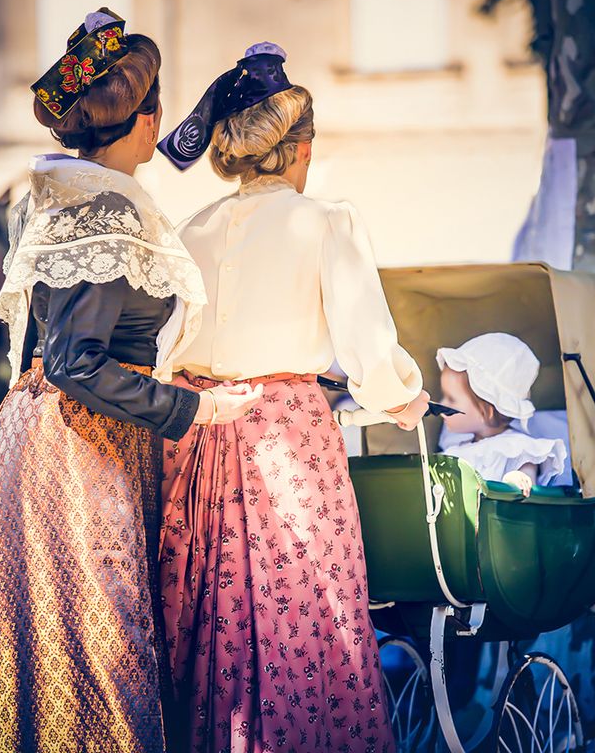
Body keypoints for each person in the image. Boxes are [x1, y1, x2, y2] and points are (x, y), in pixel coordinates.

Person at [0, 9, 259, 753]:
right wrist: (195, 409)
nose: (161, 123)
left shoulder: (50, 199)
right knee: (91, 650)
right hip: (82, 456)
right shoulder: (104, 208)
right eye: (157, 107)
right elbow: (77, 362)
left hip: (48, 440)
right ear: (144, 120)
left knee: (47, 643)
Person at [156, 42, 429, 752]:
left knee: (207, 613)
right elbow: (370, 352)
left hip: (193, 441)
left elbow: (164, 353)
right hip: (285, 439)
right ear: (300, 150)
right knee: (305, 606)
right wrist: (405, 398)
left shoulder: (190, 232)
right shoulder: (325, 221)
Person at [437, 332, 567, 495]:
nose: (442, 405)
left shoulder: (516, 447)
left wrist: (518, 478)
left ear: (488, 410)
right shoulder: (456, 450)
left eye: (451, 399)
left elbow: (528, 487)